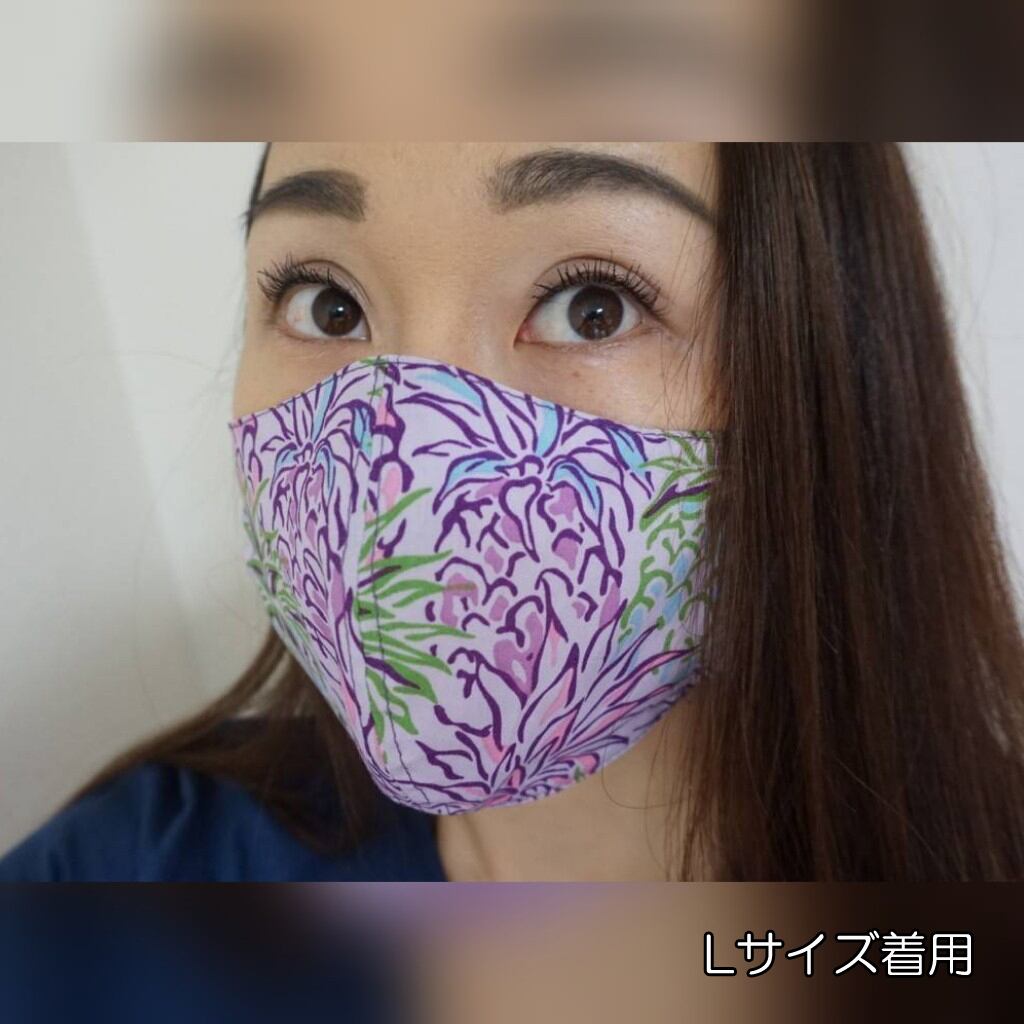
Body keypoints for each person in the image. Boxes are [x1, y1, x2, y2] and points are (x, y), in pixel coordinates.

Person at [2, 142, 1022, 882]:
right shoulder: (120, 879)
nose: (405, 454)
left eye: (593, 305)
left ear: (822, 373)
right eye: (326, 302)